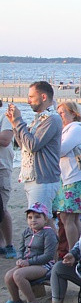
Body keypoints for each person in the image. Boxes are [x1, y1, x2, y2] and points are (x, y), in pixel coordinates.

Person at [6, 81, 62, 209]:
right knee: (43, 220)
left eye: (31, 97)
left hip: (43, 179)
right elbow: (24, 146)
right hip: (32, 178)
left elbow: (33, 145)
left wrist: (19, 120)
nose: (28, 101)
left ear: (43, 97)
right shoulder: (40, 118)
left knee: (41, 220)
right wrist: (15, 124)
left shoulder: (52, 119)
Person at [2, 203, 58, 303]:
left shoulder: (48, 233)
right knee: (8, 276)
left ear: (45, 219)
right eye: (30, 217)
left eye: (37, 217)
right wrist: (19, 259)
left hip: (45, 265)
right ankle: (16, 299)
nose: (33, 220)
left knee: (18, 275)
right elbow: (21, 249)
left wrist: (28, 262)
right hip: (28, 263)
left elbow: (48, 256)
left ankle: (32, 301)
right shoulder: (27, 232)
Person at [53, 101, 81, 250]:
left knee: (69, 217)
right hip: (66, 178)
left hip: (74, 178)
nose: (60, 116)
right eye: (59, 113)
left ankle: (73, 251)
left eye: (62, 113)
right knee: (67, 217)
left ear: (73, 113)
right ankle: (77, 249)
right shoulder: (65, 130)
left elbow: (60, 150)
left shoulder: (76, 128)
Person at [0, 100, 15, 258]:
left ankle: (9, 244)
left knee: (2, 208)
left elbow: (5, 140)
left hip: (1, 168)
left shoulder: (4, 117)